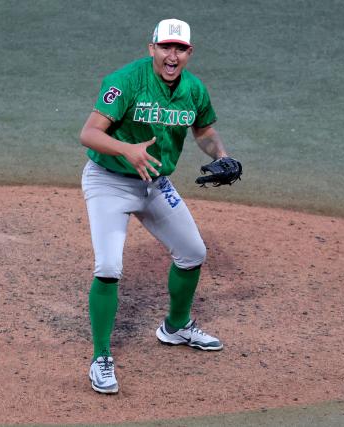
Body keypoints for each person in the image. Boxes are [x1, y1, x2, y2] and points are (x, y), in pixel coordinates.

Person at [79, 18, 234, 394]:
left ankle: (176, 327)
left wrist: (223, 156)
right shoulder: (126, 81)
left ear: (189, 54)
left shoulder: (194, 89)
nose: (172, 55)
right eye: (165, 47)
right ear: (152, 48)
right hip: (109, 180)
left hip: (155, 182)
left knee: (193, 252)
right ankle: (101, 358)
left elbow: (204, 131)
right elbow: (89, 133)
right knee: (109, 266)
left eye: (180, 49)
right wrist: (127, 150)